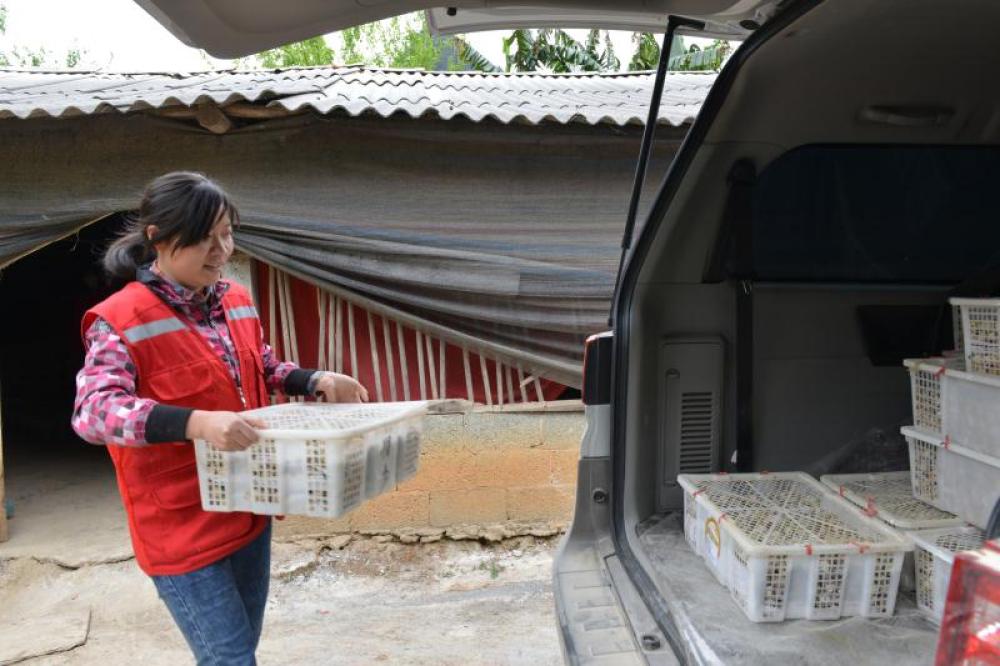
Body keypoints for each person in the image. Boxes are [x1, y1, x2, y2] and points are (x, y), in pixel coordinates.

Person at [71, 171, 368, 664]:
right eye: (203, 239)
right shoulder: (119, 320)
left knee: (240, 649)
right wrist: (198, 423)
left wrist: (315, 379)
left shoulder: (236, 300)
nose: (221, 250)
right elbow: (94, 412)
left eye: (227, 234)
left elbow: (262, 364)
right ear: (158, 238)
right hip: (181, 529)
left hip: (248, 508)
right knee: (230, 659)